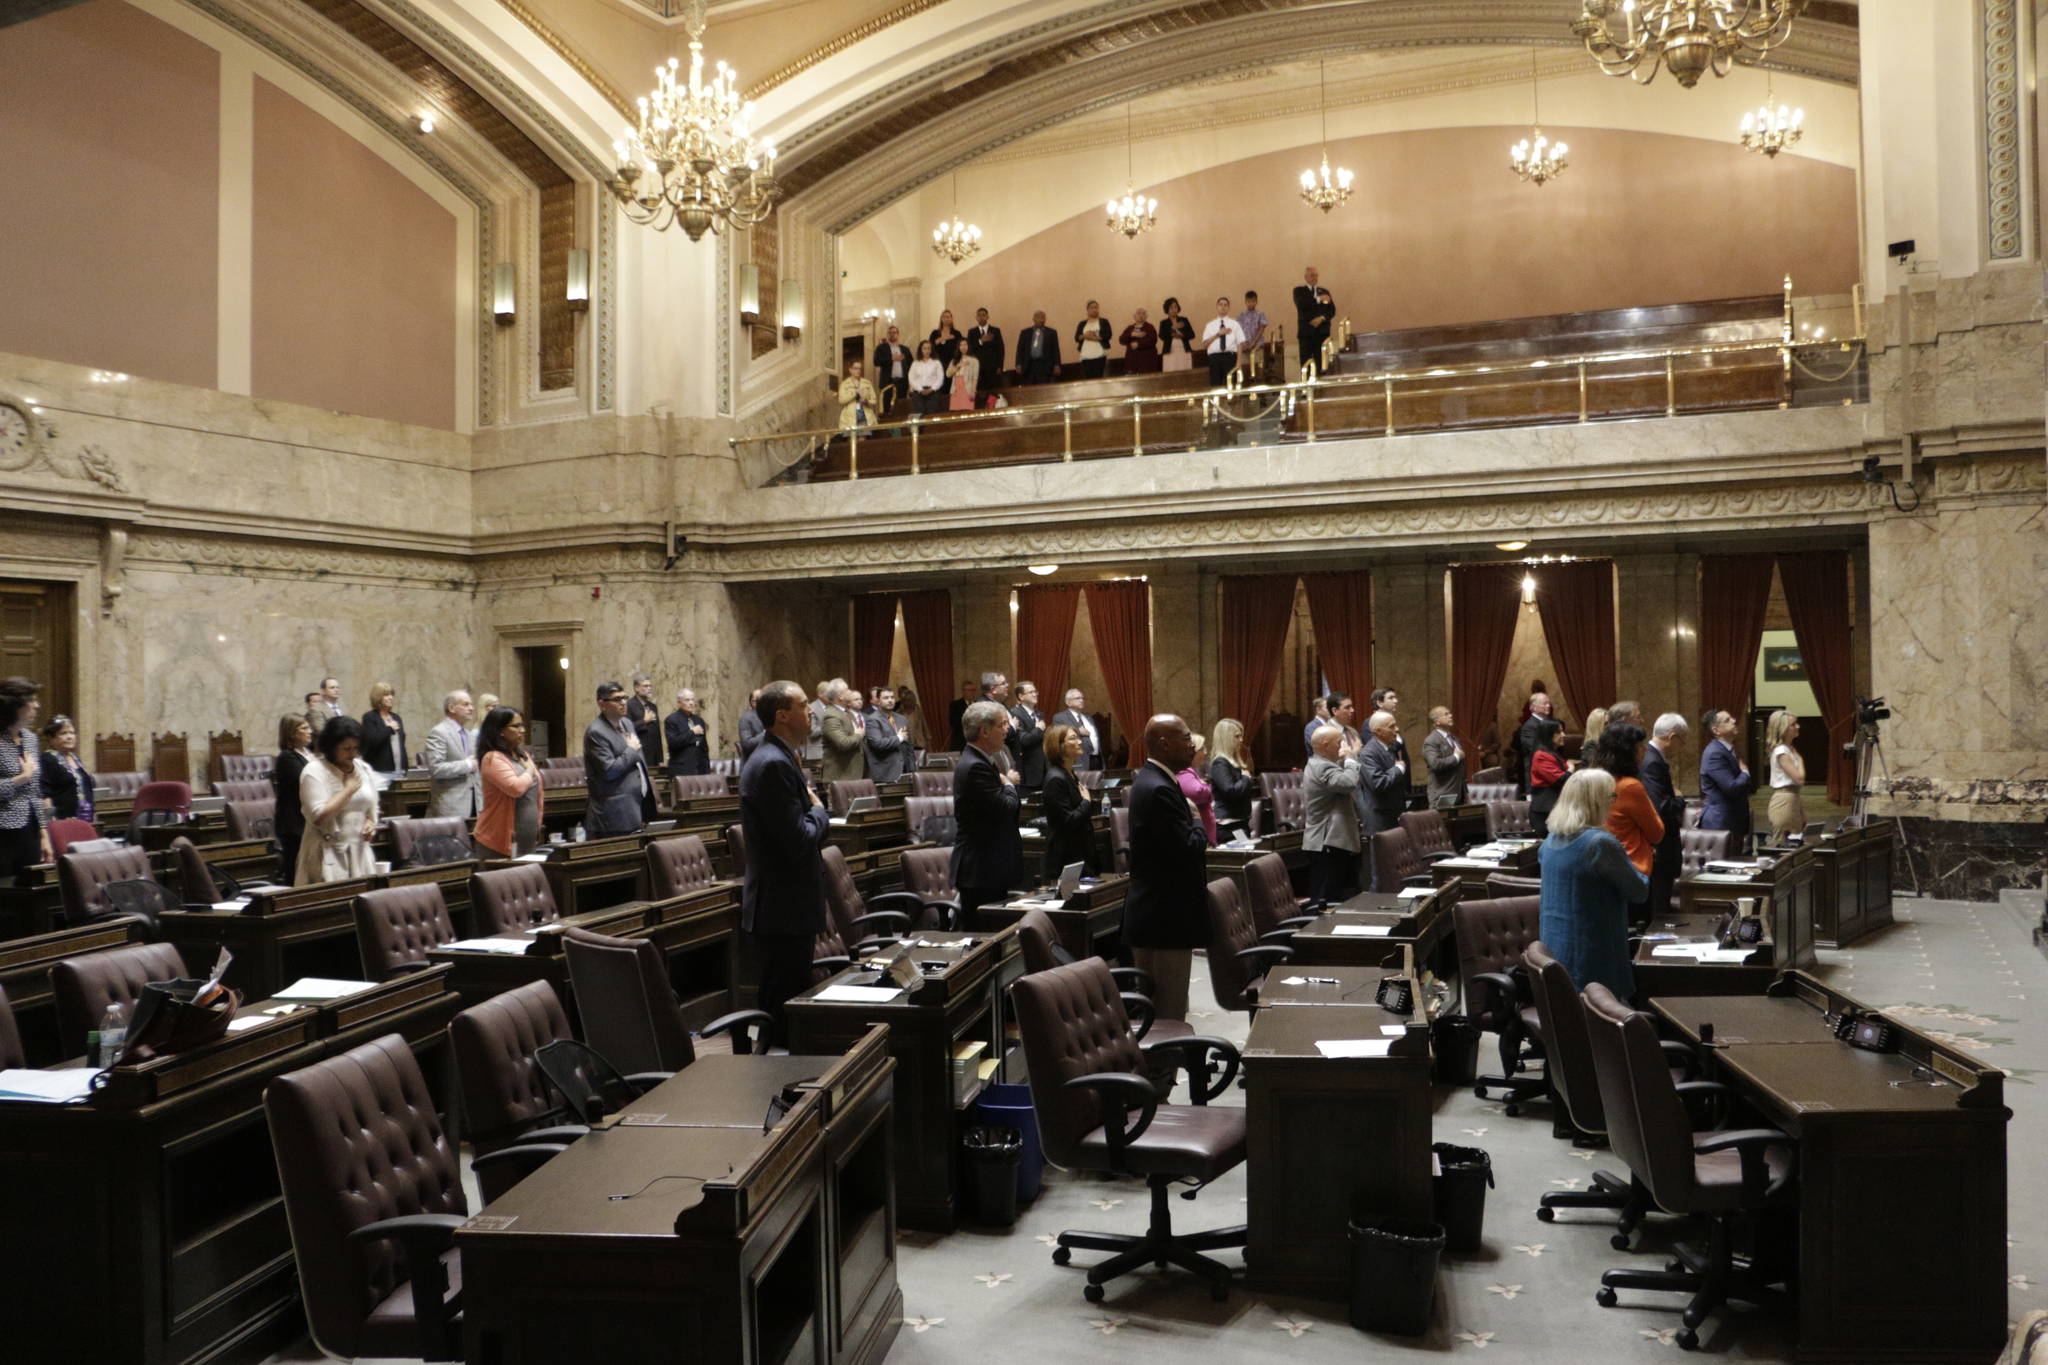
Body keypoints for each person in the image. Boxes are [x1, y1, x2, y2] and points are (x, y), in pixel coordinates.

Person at [739, 681, 831, 1045]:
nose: (810, 710)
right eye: (804, 704)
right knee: (782, 1006)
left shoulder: (779, 755)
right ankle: (777, 1085)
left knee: (785, 998)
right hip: (782, 903)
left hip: (786, 901)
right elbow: (800, 837)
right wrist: (820, 811)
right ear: (782, 715)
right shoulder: (772, 763)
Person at [1125, 715, 1210, 1020]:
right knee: (1167, 1013)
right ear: (1163, 744)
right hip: (1164, 918)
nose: (1192, 745)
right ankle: (1162, 1069)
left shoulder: (1157, 780)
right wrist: (1198, 821)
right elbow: (1188, 847)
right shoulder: (1157, 787)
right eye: (1186, 738)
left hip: (1162, 915)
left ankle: (1163, 1068)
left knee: (1166, 1011)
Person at [1538, 768, 1649, 998]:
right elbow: (1639, 891)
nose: (1612, 803)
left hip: (1555, 951)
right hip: (1594, 957)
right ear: (1596, 802)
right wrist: (1644, 862)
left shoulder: (1550, 840)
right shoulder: (1599, 844)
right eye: (1610, 797)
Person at [951, 700, 1021, 923]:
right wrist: (1009, 784)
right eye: (1002, 724)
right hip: (981, 869)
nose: (1007, 729)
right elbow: (1007, 807)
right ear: (984, 731)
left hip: (987, 867)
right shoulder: (975, 766)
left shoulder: (980, 761)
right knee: (983, 939)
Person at [297, 716, 378, 884]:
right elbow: (318, 816)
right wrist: (348, 790)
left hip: (359, 851)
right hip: (328, 852)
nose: (352, 753)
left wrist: (370, 822)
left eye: (356, 747)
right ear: (332, 747)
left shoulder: (363, 768)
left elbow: (371, 806)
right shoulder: (314, 771)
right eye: (346, 748)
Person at [1592, 722, 1663, 877]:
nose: (1645, 750)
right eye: (1640, 746)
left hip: (1599, 866)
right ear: (1627, 751)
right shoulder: (1630, 786)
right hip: (1630, 867)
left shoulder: (1592, 780)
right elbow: (1656, 833)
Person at [1302, 724, 1362, 905]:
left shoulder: (1320, 763)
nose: (1343, 746)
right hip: (1328, 841)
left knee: (1336, 896)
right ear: (1326, 745)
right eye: (1339, 742)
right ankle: (1316, 932)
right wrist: (1351, 759)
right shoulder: (1322, 768)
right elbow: (1347, 782)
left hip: (1332, 841)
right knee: (1325, 900)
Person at [584, 681, 653, 836]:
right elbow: (609, 771)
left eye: (624, 698)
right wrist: (630, 750)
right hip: (613, 814)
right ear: (602, 704)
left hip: (636, 805)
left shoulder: (627, 723)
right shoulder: (596, 732)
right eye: (617, 699)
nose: (623, 702)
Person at [474, 706, 544, 858]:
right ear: (500, 730)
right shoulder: (492, 758)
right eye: (516, 726)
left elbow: (534, 789)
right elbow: (515, 788)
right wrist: (531, 770)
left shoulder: (521, 753)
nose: (522, 730)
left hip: (527, 837)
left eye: (523, 725)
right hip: (498, 839)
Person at [0, 678, 50, 883]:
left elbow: (35, 792)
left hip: (29, 829)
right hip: (3, 832)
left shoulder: (30, 738)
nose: (37, 705)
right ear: (14, 706)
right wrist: (21, 779)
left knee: (33, 891)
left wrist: (44, 835)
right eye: (32, 700)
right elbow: (26, 781)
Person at [1640, 713, 1688, 916]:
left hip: (1661, 846)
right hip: (1660, 846)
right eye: (1682, 741)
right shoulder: (1652, 761)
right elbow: (1661, 806)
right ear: (1672, 736)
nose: (1682, 747)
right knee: (1659, 909)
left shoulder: (1652, 757)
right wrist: (1680, 800)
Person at [1039, 725, 1096, 877]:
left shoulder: (1069, 774)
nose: (1079, 742)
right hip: (1065, 858)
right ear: (1059, 746)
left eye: (1078, 737)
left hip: (1079, 852)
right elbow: (1067, 821)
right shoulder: (1055, 779)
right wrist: (1086, 802)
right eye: (1073, 738)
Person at [1359, 710, 1408, 888]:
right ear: (1378, 731)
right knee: (1381, 875)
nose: (1397, 729)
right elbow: (1378, 784)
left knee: (1394, 873)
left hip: (1392, 816)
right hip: (1380, 820)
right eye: (1392, 726)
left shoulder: (1388, 749)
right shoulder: (1368, 753)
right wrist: (1398, 769)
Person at [1698, 707, 1755, 850]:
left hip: (1732, 820)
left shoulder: (1728, 749)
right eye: (1727, 720)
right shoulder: (1715, 754)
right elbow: (1731, 787)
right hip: (1721, 822)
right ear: (1716, 730)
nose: (1734, 721)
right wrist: (1745, 773)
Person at [423, 690, 482, 820]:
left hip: (475, 803)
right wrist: (466, 765)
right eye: (465, 704)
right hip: (451, 805)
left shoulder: (468, 734)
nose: (471, 708)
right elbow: (436, 769)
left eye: (471, 705)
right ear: (451, 708)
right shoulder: (439, 732)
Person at [271, 714, 312, 884]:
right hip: (294, 824)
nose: (310, 732)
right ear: (291, 734)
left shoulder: (308, 754)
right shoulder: (287, 758)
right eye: (304, 728)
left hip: (307, 820)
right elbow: (305, 782)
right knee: (296, 870)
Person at [38, 715, 93, 822]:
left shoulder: (75, 758)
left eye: (72, 733)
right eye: (63, 733)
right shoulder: (47, 759)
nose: (70, 737)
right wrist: (51, 821)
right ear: (51, 738)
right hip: (62, 820)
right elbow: (45, 794)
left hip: (84, 818)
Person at [1207, 718, 1255, 838]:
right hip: (1228, 826)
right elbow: (1230, 791)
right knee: (1236, 857)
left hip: (1239, 822)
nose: (1241, 740)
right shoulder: (1220, 763)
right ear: (1226, 738)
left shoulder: (1232, 762)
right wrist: (1245, 778)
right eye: (1237, 736)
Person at [1765, 710, 1806, 842]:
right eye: (1793, 724)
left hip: (1793, 797)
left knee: (1795, 842)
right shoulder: (1781, 751)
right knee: (1782, 844)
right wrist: (1800, 760)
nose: (1798, 726)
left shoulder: (1788, 749)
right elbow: (1799, 779)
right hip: (1784, 800)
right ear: (1783, 729)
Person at [1526, 715, 1568, 834]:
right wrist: (1571, 769)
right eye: (1559, 732)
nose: (1563, 735)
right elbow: (1561, 780)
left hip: (1555, 807)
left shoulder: (1554, 753)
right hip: (1545, 811)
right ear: (1548, 734)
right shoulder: (1541, 755)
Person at [1176, 732, 1218, 846]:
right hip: (1197, 837)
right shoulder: (1183, 771)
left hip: (1203, 835)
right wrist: (1207, 787)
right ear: (1192, 751)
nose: (1205, 752)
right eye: (1202, 748)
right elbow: (1198, 793)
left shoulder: (1190, 771)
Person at [1422, 705, 1466, 808]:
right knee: (1443, 823)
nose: (1450, 716)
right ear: (1437, 721)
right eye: (1446, 714)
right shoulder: (1431, 741)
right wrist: (1456, 757)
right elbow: (1435, 764)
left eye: (1450, 713)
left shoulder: (1455, 739)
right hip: (1443, 793)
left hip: (1459, 793)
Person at [358, 683, 407, 775]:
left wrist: (405, 767)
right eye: (386, 695)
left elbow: (402, 744)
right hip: (379, 770)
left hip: (399, 769)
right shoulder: (369, 717)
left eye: (392, 695)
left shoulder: (396, 717)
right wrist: (389, 728)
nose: (391, 698)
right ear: (378, 697)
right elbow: (372, 742)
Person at [1515, 689, 1557, 797]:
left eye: (1549, 703)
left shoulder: (1548, 723)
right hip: (1536, 780)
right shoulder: (1529, 727)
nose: (1548, 706)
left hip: (1549, 778)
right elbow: (1536, 751)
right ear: (1533, 707)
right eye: (1544, 704)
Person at [865, 686, 912, 782]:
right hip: (885, 773)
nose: (890, 700)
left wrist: (912, 770)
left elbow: (909, 747)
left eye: (892, 697)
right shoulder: (872, 719)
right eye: (886, 698)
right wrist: (899, 738)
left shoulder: (902, 719)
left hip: (905, 772)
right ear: (878, 701)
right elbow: (878, 744)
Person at [820, 687, 867, 782]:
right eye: (847, 689)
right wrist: (858, 735)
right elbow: (843, 743)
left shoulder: (847, 712)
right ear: (840, 696)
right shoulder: (831, 715)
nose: (850, 691)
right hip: (840, 776)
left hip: (852, 773)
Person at [1006, 681, 1046, 790]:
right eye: (1031, 692)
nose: (1035, 694)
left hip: (1043, 768)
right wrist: (1038, 729)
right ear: (1021, 696)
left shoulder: (1038, 714)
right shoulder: (1015, 713)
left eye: (1035, 692)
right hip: (1028, 770)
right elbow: (1024, 740)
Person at [1200, 296, 1247, 388]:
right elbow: (1205, 345)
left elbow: (1240, 343)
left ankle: (1230, 401)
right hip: (1215, 358)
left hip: (1229, 357)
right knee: (1215, 385)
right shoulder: (1210, 326)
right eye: (1221, 305)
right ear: (1217, 307)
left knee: (1230, 384)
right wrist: (1218, 334)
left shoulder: (1234, 324)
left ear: (1228, 308)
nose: (1223, 307)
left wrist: (1238, 362)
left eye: (1225, 305)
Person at [1293, 266, 1334, 371]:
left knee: (1322, 363)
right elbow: (1301, 304)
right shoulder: (1299, 291)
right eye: (1312, 275)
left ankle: (1322, 385)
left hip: (1322, 333)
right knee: (1306, 363)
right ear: (1306, 277)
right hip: (1306, 334)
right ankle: (1306, 385)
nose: (1314, 278)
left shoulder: (1324, 291)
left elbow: (1332, 310)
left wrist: (1322, 318)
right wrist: (1318, 299)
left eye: (1316, 275)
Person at [663, 688, 709, 777]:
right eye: (687, 700)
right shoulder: (671, 720)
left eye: (692, 700)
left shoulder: (699, 720)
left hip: (700, 768)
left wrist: (706, 768)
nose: (691, 703)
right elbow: (673, 743)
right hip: (681, 769)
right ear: (679, 702)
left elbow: (704, 747)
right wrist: (692, 732)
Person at [1053, 688, 1103, 770]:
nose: (1081, 700)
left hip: (1095, 759)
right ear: (1068, 702)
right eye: (1077, 698)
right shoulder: (1060, 717)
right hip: (1078, 761)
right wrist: (1078, 731)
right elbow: (1059, 735)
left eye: (1082, 698)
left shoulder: (1088, 718)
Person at [627, 672, 665, 769]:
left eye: (650, 686)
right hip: (638, 753)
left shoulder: (653, 707)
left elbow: (657, 734)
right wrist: (644, 721)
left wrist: (660, 759)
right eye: (645, 686)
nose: (649, 688)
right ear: (636, 688)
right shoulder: (629, 705)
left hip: (653, 757)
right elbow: (627, 729)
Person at [968, 307, 1004, 399]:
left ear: (987, 317)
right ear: (976, 317)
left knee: (993, 392)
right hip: (978, 367)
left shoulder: (995, 331)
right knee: (980, 392)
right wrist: (980, 341)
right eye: (979, 315)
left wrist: (1000, 366)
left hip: (992, 367)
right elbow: (969, 348)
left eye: (983, 315)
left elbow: (1000, 349)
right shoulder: (972, 332)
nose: (981, 317)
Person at [1016, 310, 1061, 384]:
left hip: (1044, 366)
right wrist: (1018, 364)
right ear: (1033, 319)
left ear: (1045, 320)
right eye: (1038, 318)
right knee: (1029, 389)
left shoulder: (1051, 333)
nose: (1040, 320)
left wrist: (1057, 365)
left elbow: (1055, 350)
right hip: (1028, 365)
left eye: (1042, 318)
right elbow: (1020, 349)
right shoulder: (1025, 333)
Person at [872, 325, 911, 409]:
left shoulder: (905, 349)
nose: (892, 335)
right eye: (890, 333)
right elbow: (876, 362)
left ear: (898, 334)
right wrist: (891, 358)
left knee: (901, 406)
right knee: (886, 406)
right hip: (887, 382)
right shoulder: (881, 348)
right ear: (887, 335)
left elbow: (911, 364)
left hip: (902, 383)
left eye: (894, 332)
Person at [1074, 300, 1112, 379]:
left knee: (1099, 377)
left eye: (1096, 307)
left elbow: (1108, 335)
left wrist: (1094, 338)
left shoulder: (1104, 322)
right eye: (1092, 308)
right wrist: (1085, 336)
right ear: (1087, 310)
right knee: (1088, 378)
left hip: (1100, 354)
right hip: (1086, 355)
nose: (1094, 310)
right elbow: (1077, 338)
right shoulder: (1082, 323)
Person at [907, 339, 947, 415]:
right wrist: (920, 389)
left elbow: (940, 378)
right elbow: (911, 378)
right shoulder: (915, 363)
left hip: (933, 392)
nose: (927, 351)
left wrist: (931, 389)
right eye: (924, 348)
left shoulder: (936, 363)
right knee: (919, 414)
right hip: (918, 392)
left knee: (932, 414)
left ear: (931, 350)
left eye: (929, 348)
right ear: (921, 350)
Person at [1236, 289, 1270, 378]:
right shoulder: (1241, 316)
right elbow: (1238, 331)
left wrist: (1253, 344)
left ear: (1256, 302)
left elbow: (1261, 329)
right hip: (1244, 348)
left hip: (1257, 347)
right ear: (1245, 302)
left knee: (1257, 371)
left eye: (1253, 301)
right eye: (1248, 301)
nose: (1250, 303)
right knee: (1245, 371)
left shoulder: (1260, 314)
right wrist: (1244, 345)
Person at [838, 360, 879, 429]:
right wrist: (854, 393)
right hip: (849, 416)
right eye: (855, 368)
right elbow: (841, 400)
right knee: (850, 437)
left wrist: (867, 402)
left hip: (864, 413)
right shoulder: (844, 384)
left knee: (863, 437)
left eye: (860, 368)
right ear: (850, 370)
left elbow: (874, 400)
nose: (858, 370)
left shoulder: (867, 383)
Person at [1158, 297, 1195, 372]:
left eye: (1175, 307)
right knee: (1170, 374)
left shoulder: (1184, 320)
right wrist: (1172, 328)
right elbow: (1161, 336)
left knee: (1186, 374)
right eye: (1171, 307)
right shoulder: (1164, 323)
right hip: (1169, 352)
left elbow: (1192, 334)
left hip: (1184, 351)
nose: (1173, 310)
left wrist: (1182, 335)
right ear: (1167, 309)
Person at [1119, 307, 1160, 375]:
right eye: (1138, 313)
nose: (1141, 315)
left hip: (1147, 362)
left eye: (1143, 314)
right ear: (1134, 316)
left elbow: (1153, 340)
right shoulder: (1130, 328)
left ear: (1146, 317)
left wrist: (1139, 344)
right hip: (1132, 362)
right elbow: (1121, 340)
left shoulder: (1150, 327)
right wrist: (1132, 334)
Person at [946, 344, 979, 411]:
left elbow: (975, 378)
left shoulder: (974, 361)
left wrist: (973, 391)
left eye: (965, 345)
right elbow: (948, 374)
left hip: (968, 388)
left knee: (968, 411)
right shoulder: (954, 360)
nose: (963, 347)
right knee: (956, 413)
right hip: (956, 388)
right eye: (961, 345)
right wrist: (958, 366)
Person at [897, 685, 930, 752]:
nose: (908, 702)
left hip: (919, 744)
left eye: (909, 700)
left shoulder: (918, 710)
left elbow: (924, 725)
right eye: (905, 700)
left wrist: (928, 739)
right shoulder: (898, 713)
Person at [947, 679, 976, 751]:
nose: (971, 693)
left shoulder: (978, 705)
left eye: (973, 690)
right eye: (968, 690)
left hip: (975, 742)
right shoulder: (955, 705)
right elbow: (953, 722)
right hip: (960, 742)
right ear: (963, 691)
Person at [737, 687, 766, 759]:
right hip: (755, 760)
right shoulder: (746, 719)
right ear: (752, 702)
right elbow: (747, 745)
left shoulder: (771, 715)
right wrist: (767, 733)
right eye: (757, 700)